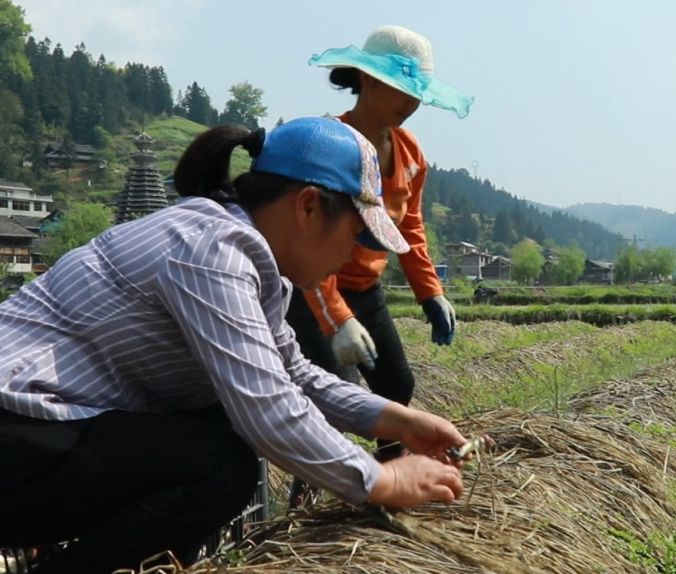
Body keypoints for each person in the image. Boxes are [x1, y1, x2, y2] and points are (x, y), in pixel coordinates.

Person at [0, 117, 467, 574]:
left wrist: (394, 419)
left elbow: (291, 373)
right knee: (220, 464)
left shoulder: (252, 266)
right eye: (356, 232)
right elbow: (267, 408)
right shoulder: (212, 251)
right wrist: (381, 479)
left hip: (37, 436)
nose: (355, 253)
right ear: (308, 206)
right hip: (17, 427)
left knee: (215, 431)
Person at [285, 26, 474, 503]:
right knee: (337, 396)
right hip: (313, 287)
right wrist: (338, 319)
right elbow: (309, 240)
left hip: (366, 290)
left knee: (396, 386)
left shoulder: (409, 153)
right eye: (401, 90)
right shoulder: (332, 142)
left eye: (417, 94)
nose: (411, 103)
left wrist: (430, 292)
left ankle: (396, 481)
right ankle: (305, 497)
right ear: (367, 80)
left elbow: (410, 227)